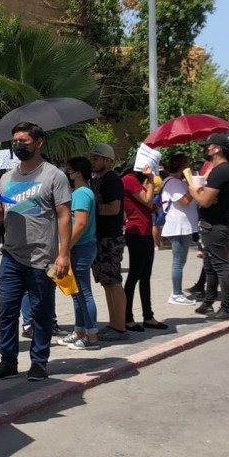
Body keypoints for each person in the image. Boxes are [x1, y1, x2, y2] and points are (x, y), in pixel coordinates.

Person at [0, 122, 72, 382]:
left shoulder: (54, 176)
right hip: (11, 255)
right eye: (15, 141)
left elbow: (64, 216)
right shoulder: (8, 178)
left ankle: (39, 362)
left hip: (42, 258)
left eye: (24, 140)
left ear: (39, 142)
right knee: (7, 311)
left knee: (41, 312)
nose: (18, 145)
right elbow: (2, 215)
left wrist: (63, 254)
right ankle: (8, 361)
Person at [192, 134, 229, 318]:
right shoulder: (219, 170)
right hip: (213, 225)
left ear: (217, 148)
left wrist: (193, 191)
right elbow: (210, 198)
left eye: (208, 146)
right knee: (210, 265)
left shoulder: (221, 170)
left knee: (220, 266)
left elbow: (204, 200)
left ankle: (227, 306)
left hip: (216, 226)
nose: (205, 150)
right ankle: (209, 301)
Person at [89, 143, 128, 341]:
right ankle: (113, 323)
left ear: (108, 160)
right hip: (100, 236)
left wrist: (92, 209)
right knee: (106, 282)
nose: (92, 161)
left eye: (96, 158)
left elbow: (114, 208)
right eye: (92, 158)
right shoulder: (97, 180)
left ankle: (119, 326)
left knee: (113, 281)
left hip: (110, 237)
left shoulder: (112, 180)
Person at [60, 156, 100, 349]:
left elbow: (81, 223)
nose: (67, 171)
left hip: (81, 247)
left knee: (83, 292)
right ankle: (80, 331)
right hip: (81, 246)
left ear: (78, 172)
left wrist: (65, 246)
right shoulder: (81, 192)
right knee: (77, 292)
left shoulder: (82, 193)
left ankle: (91, 337)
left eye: (70, 168)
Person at [122, 164, 166, 330]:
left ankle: (148, 316)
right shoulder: (129, 180)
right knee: (134, 275)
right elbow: (147, 200)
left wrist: (153, 207)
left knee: (145, 275)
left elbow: (145, 204)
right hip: (136, 232)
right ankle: (127, 317)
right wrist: (149, 179)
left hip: (145, 231)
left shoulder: (138, 181)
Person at [161, 154, 199, 305]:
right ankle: (176, 294)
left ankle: (177, 290)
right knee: (178, 261)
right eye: (187, 165)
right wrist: (193, 187)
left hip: (183, 226)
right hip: (177, 227)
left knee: (181, 260)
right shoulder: (173, 183)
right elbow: (184, 201)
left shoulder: (178, 182)